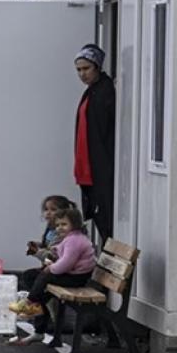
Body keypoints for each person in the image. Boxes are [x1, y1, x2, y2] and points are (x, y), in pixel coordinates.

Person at [9, 207, 96, 319]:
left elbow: (66, 263)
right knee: (31, 275)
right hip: (73, 274)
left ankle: (29, 303)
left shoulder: (75, 240)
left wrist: (51, 268)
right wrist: (55, 250)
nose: (59, 228)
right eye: (58, 225)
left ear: (75, 224)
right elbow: (63, 250)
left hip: (76, 278)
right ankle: (37, 307)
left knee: (45, 276)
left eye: (64, 224)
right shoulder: (73, 237)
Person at [73, 44, 115, 243]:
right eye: (79, 70)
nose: (82, 74)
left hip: (100, 168)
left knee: (106, 219)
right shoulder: (90, 93)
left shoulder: (104, 92)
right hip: (88, 170)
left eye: (86, 69)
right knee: (99, 218)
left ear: (97, 67)